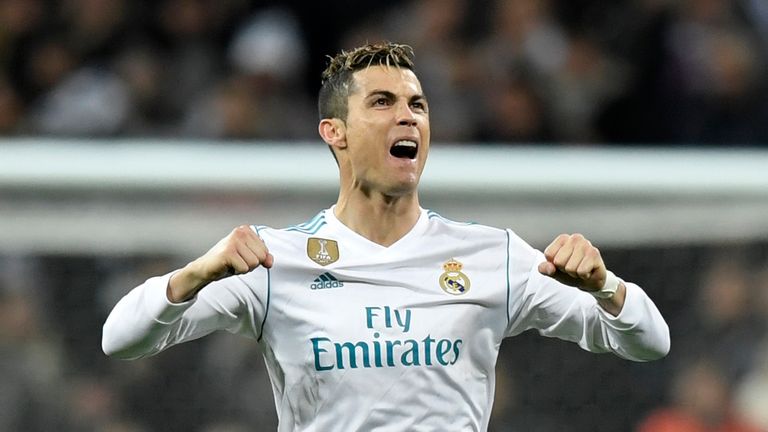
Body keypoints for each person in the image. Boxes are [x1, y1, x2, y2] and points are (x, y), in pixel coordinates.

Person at [102, 42, 670, 431]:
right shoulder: (277, 263)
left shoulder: (490, 254)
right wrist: (196, 273)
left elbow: (648, 342)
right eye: (383, 102)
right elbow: (120, 340)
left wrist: (606, 288)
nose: (409, 117)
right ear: (335, 132)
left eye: (417, 105)